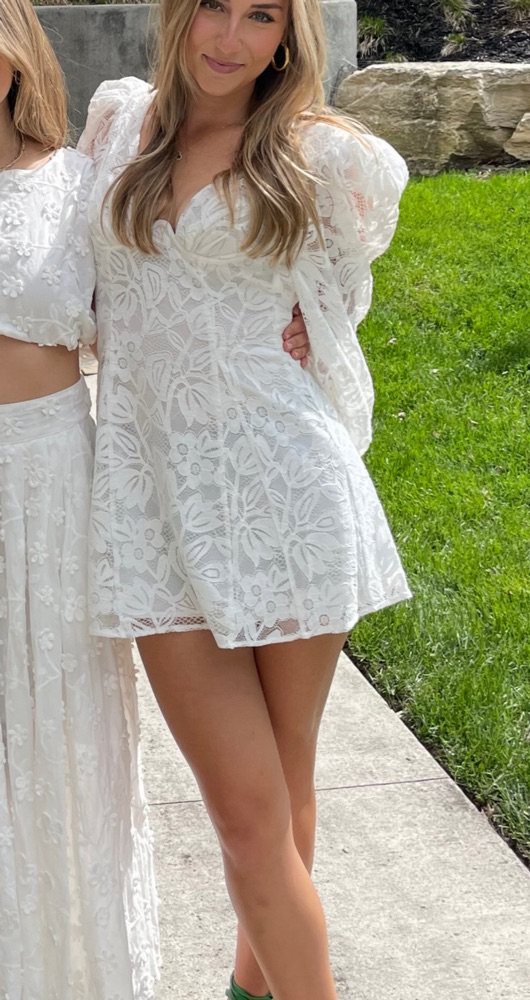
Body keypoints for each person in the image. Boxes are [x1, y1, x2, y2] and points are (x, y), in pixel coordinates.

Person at [77, 0, 411, 996]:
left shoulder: (323, 154)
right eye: (213, 8)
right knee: (248, 807)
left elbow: (342, 292)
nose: (229, 38)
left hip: (286, 496)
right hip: (151, 504)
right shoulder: (119, 124)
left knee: (271, 793)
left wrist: (315, 327)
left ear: (287, 36)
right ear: (180, 14)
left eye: (260, 15)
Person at [0, 2, 161, 997]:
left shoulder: (77, 179)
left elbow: (168, 295)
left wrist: (293, 317)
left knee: (61, 734)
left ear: (15, 54)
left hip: (50, 479)